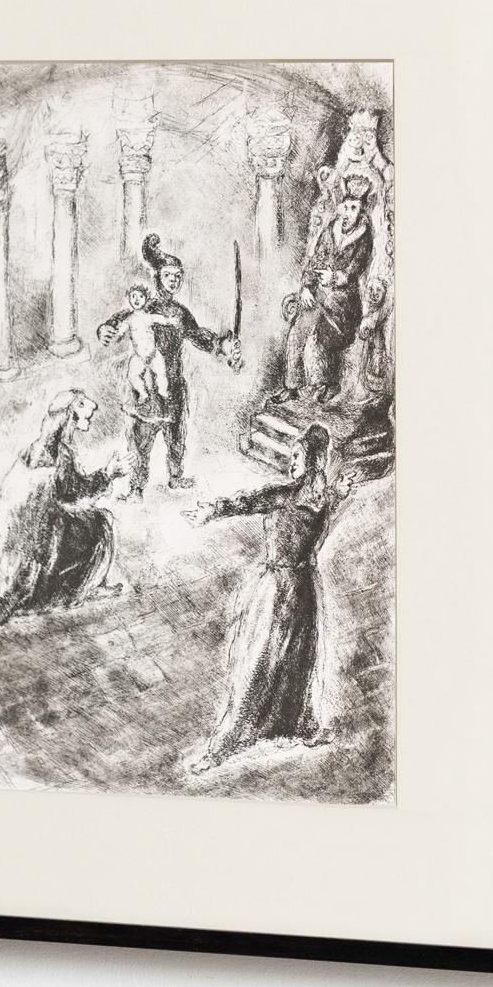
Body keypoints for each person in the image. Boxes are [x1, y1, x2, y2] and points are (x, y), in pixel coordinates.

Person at [183, 423, 356, 772]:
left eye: (297, 456)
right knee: (293, 657)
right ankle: (300, 727)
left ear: (313, 460)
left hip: (279, 588)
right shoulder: (321, 498)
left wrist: (213, 510)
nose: (291, 462)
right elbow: (304, 510)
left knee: (263, 662)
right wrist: (339, 494)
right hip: (303, 586)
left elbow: (249, 501)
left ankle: (224, 746)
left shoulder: (289, 495)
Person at [0, 390, 123, 637]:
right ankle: (95, 585)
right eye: (85, 417)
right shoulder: (61, 454)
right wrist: (109, 474)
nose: (89, 421)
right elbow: (76, 494)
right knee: (102, 521)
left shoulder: (33, 450)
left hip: (9, 546)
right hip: (38, 546)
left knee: (13, 590)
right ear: (70, 418)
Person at [96, 233, 241, 499]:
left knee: (176, 435)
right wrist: (106, 328)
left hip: (173, 384)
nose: (174, 280)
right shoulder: (144, 306)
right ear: (157, 277)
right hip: (148, 385)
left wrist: (222, 346)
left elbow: (198, 335)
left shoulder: (180, 313)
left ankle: (175, 477)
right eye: (168, 275)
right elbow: (120, 320)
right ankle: (136, 487)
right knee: (141, 439)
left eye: (177, 276)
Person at [275, 175, 375, 404]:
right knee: (297, 330)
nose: (348, 213)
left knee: (321, 335)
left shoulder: (364, 237)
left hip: (343, 303)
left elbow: (355, 269)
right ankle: (292, 386)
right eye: (346, 207)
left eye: (353, 208)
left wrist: (335, 277)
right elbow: (315, 260)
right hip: (319, 294)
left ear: (361, 211)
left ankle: (327, 383)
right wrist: (306, 288)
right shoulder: (331, 229)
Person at [112, 281, 179, 405]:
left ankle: (163, 392)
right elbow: (121, 331)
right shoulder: (129, 319)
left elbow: (160, 319)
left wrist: (169, 321)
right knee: (132, 376)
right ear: (128, 299)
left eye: (141, 296)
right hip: (139, 356)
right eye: (133, 296)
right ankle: (143, 393)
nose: (137, 299)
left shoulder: (148, 316)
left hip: (154, 354)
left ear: (146, 299)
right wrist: (117, 335)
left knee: (161, 373)